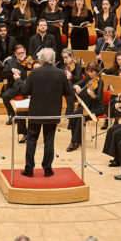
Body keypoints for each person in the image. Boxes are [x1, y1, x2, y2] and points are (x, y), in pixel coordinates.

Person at [21, 48, 72, 177]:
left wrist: (18, 81)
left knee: (32, 139)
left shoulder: (35, 73)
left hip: (36, 112)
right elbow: (69, 92)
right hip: (52, 112)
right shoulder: (60, 73)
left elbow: (25, 91)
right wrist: (68, 80)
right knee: (49, 140)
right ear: (53, 59)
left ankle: (29, 169)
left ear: (41, 59)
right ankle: (48, 169)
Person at [67, 62, 103, 151]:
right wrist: (76, 86)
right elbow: (73, 86)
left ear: (96, 71)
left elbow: (99, 98)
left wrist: (92, 95)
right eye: (88, 71)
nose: (89, 73)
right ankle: (77, 141)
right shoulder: (87, 79)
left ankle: (74, 142)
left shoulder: (100, 82)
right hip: (85, 106)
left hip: (96, 108)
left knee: (80, 118)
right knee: (73, 117)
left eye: (91, 72)